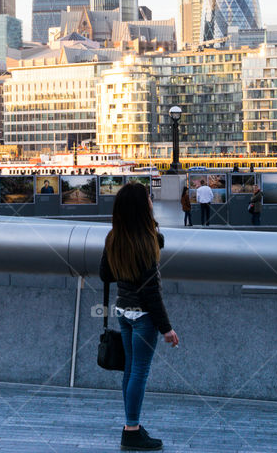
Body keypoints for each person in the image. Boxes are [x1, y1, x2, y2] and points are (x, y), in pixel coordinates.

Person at [99, 182, 178, 451]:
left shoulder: (115, 237)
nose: (152, 202)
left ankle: (130, 425)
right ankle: (132, 430)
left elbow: (105, 275)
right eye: (149, 199)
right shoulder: (146, 241)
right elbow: (151, 293)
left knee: (131, 371)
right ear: (141, 206)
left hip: (122, 311)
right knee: (139, 373)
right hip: (143, 317)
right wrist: (166, 328)